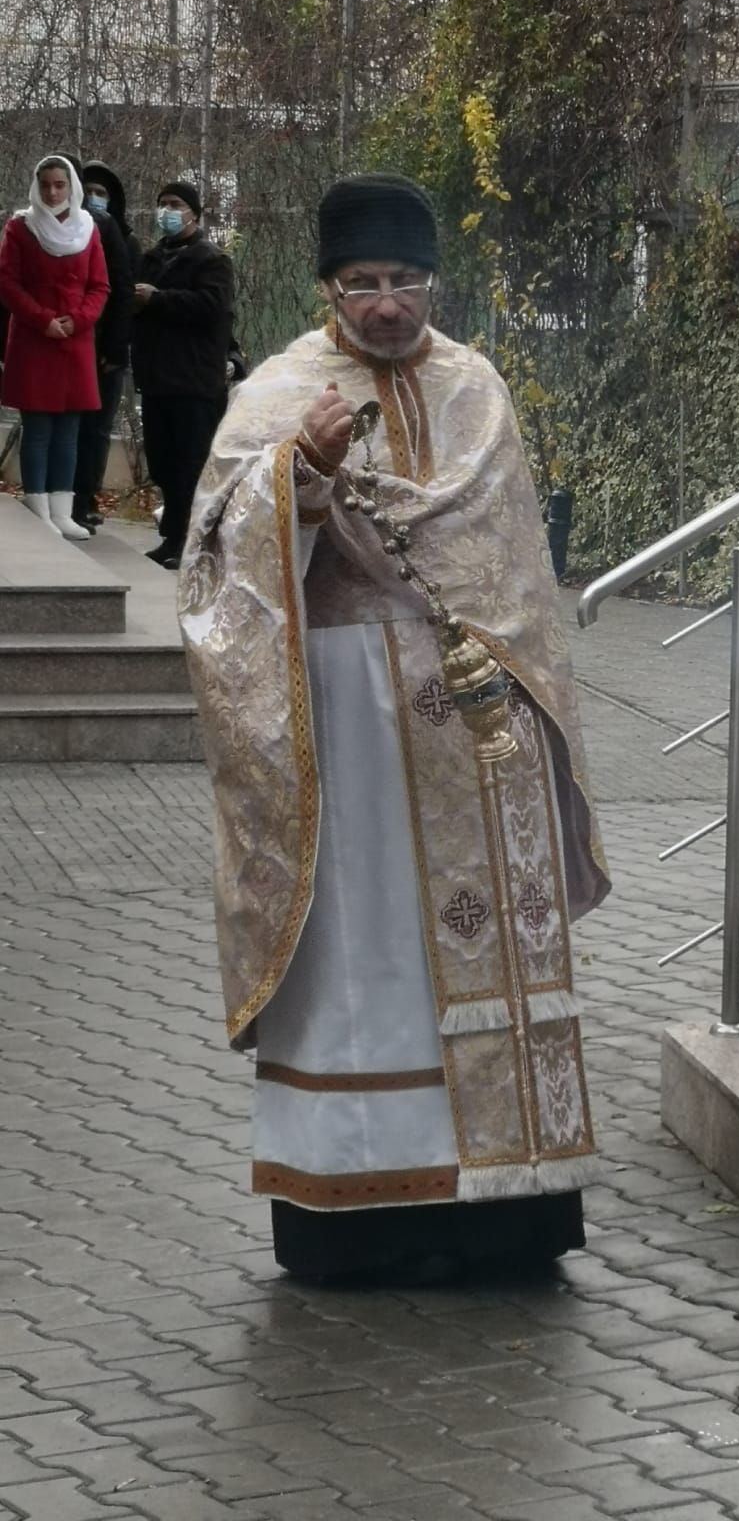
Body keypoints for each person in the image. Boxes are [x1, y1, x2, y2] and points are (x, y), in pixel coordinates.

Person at [178, 174, 609, 1284]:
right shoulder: (278, 392)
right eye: (362, 283)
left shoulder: (478, 390)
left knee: (483, 946)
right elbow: (219, 558)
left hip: (476, 728)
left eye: (404, 280)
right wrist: (302, 476)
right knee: (367, 958)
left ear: (433, 281)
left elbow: (518, 574)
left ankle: (510, 1212)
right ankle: (355, 1215)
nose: (386, 304)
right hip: (349, 733)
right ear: (328, 287)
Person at [0, 156, 108, 539]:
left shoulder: (88, 228)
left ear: (71, 186)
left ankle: (63, 512)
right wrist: (43, 319)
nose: (52, 192)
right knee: (39, 429)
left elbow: (100, 286)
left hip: (75, 341)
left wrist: (77, 320)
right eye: (45, 184)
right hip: (35, 338)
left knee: (69, 429)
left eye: (60, 184)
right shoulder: (20, 227)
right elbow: (8, 284)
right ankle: (37, 507)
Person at [131, 181, 234, 568]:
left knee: (191, 465)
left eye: (174, 204)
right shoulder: (153, 257)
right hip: (158, 379)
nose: (166, 212)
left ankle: (193, 542)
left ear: (193, 212)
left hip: (194, 381)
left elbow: (211, 307)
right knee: (163, 462)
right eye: (161, 204)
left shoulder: (212, 260)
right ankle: (172, 536)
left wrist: (158, 299)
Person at [72, 160, 140, 532]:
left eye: (103, 194)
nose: (96, 200)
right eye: (90, 192)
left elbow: (123, 296)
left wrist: (114, 350)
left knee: (96, 429)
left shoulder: (125, 241)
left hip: (107, 353)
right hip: (73, 344)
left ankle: (85, 498)